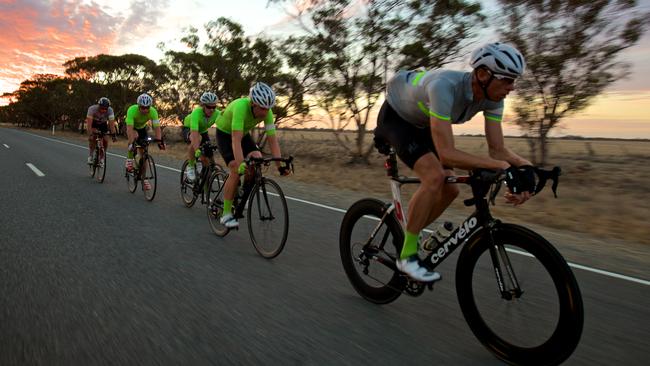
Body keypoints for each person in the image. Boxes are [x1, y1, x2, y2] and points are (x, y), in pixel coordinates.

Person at [374, 42, 535, 282]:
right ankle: (407, 256)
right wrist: (501, 168)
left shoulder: (494, 98)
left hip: (423, 122)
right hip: (397, 119)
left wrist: (526, 168)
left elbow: (497, 149)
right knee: (435, 177)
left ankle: (410, 235)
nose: (511, 87)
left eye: (514, 81)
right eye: (507, 80)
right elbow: (448, 154)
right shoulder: (444, 87)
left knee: (450, 189)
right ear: (482, 74)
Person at [215, 82, 290, 228]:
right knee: (236, 168)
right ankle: (226, 214)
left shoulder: (267, 113)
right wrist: (241, 164)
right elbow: (235, 141)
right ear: (253, 104)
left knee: (257, 158)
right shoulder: (241, 107)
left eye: (267, 108)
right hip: (225, 134)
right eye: (262, 108)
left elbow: (272, 140)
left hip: (242, 134)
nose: (264, 112)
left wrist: (279, 166)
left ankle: (242, 191)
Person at [124, 93, 166, 191]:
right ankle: (129, 160)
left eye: (147, 108)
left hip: (142, 128)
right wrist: (131, 143)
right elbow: (129, 129)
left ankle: (144, 178)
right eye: (142, 108)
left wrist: (159, 141)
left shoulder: (153, 112)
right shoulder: (132, 110)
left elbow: (157, 127)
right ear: (138, 106)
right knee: (134, 136)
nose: (145, 110)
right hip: (132, 127)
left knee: (144, 156)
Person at [183, 92, 221, 182]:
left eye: (214, 107)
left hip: (203, 131)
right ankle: (191, 166)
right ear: (203, 106)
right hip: (190, 128)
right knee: (197, 140)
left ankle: (206, 179)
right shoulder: (197, 113)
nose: (212, 110)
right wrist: (197, 150)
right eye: (209, 107)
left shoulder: (217, 114)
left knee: (209, 152)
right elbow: (195, 133)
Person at [86, 97, 117, 166]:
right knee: (93, 137)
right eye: (102, 108)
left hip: (103, 124)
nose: (103, 110)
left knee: (106, 139)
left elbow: (111, 124)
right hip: (93, 123)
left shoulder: (110, 110)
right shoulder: (92, 109)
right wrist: (90, 134)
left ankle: (102, 158)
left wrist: (113, 135)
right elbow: (89, 124)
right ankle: (91, 155)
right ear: (98, 106)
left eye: (105, 109)